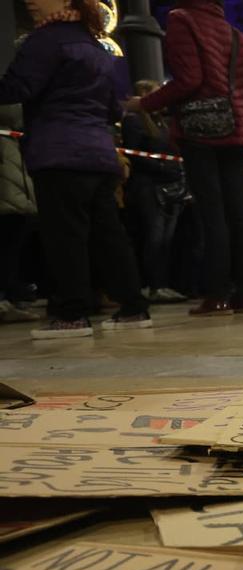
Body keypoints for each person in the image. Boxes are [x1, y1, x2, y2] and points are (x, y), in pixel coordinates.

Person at [1, 0, 151, 338]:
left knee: (64, 236)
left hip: (59, 150)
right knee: (109, 235)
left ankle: (71, 313)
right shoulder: (96, 45)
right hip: (99, 153)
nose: (30, 2)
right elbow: (114, 106)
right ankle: (133, 307)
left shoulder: (45, 40)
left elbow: (16, 87)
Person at [133, 0, 243, 317]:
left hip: (201, 131)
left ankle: (217, 294)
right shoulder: (237, 35)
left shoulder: (181, 20)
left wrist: (144, 104)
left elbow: (188, 79)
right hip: (236, 127)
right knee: (237, 210)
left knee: (211, 211)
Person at [122, 80, 187, 304]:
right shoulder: (134, 122)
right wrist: (163, 167)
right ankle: (153, 284)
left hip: (171, 186)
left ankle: (164, 283)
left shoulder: (163, 123)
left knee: (167, 240)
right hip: (149, 188)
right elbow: (135, 155)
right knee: (154, 238)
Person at [0, 104, 40, 323]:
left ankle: (10, 297)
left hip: (13, 189)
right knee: (7, 245)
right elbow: (13, 112)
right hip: (7, 191)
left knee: (12, 246)